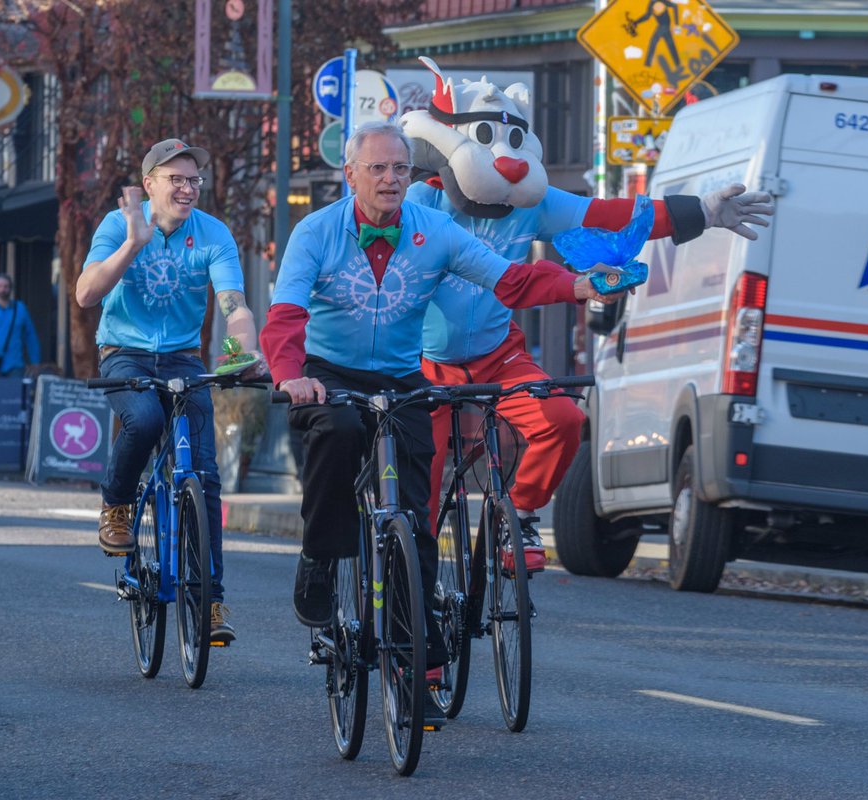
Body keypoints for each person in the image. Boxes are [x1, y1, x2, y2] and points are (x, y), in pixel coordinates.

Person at [259, 122, 620, 679]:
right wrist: (290, 375)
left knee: (415, 512)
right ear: (350, 174)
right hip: (327, 372)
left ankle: (413, 635)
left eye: (400, 169)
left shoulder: (436, 230)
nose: (390, 179)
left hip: (401, 376)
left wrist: (577, 285)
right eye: (377, 168)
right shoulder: (316, 231)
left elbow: (510, 280)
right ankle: (320, 559)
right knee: (339, 432)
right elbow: (286, 316)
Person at [400, 61, 775, 573]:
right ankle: (413, 593)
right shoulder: (419, 203)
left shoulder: (528, 204)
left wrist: (704, 213)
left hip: (497, 355)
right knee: (418, 489)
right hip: (421, 362)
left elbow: (611, 215)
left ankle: (519, 516)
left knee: (564, 420)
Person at [76, 137, 265, 646]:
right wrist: (132, 244)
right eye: (175, 179)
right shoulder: (118, 225)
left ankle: (210, 600)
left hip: (183, 358)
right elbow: (86, 293)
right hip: (124, 352)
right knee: (144, 420)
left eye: (194, 180)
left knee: (204, 477)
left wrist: (243, 351)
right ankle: (117, 503)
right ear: (149, 184)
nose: (187, 188)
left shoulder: (213, 233)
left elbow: (234, 304)